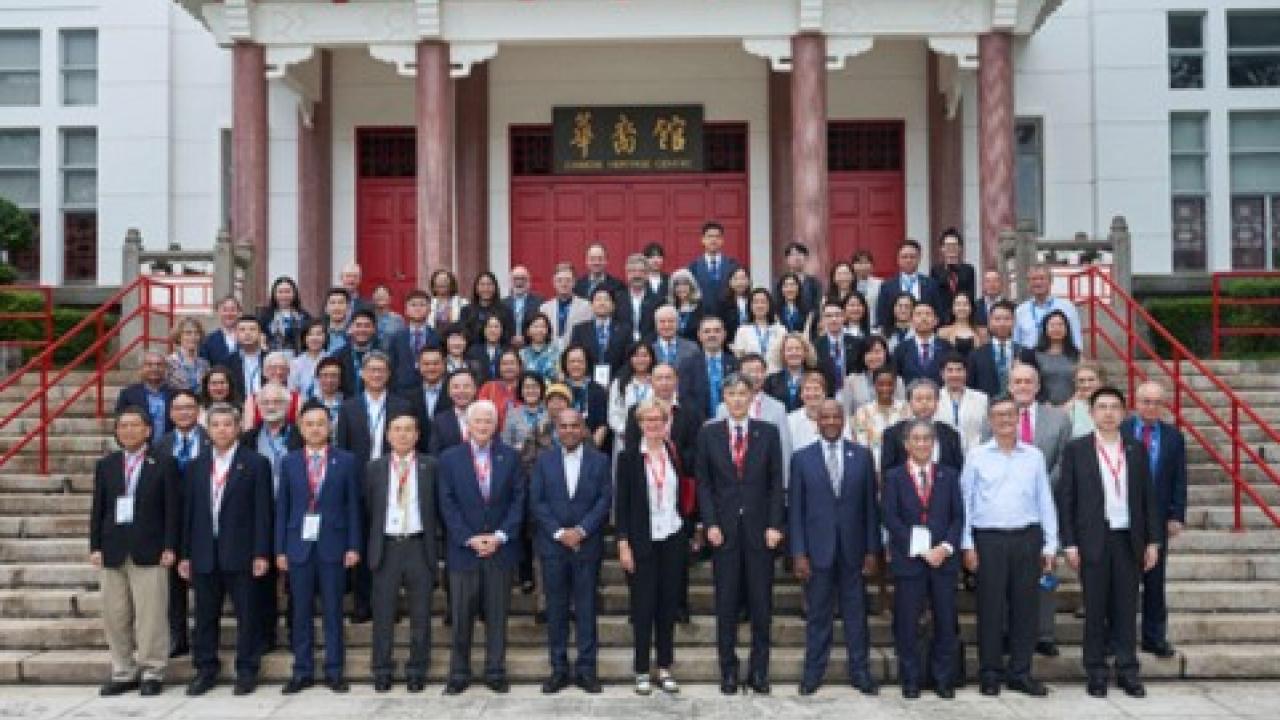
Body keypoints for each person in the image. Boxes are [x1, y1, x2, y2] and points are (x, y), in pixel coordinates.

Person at [1059, 386, 1162, 698]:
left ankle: (1128, 670)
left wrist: (1153, 541)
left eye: (1114, 407)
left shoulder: (1135, 448)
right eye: (1101, 407)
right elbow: (1067, 500)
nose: (1107, 413)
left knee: (1126, 608)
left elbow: (1148, 499)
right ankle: (1096, 670)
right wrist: (1070, 543)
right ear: (1091, 414)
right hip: (1093, 538)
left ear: (1124, 413)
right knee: (1095, 608)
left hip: (1128, 539)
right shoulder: (1076, 449)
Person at [960, 395, 1059, 697]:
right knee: (990, 608)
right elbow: (965, 502)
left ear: (1019, 419)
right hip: (988, 539)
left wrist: (1050, 545)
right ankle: (989, 672)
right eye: (998, 415)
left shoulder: (1034, 456)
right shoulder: (977, 456)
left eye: (1010, 415)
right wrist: (966, 545)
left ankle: (1021, 671)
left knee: (1025, 609)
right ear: (990, 421)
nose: (1004, 420)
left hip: (1027, 539)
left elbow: (1045, 500)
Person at [696, 374, 785, 695]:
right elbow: (704, 484)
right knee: (727, 603)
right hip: (725, 532)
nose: (736, 399)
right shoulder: (709, 434)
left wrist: (776, 525)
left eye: (742, 394)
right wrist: (710, 524)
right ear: (724, 397)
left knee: (762, 605)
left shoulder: (769, 433)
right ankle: (729, 671)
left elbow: (777, 483)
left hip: (761, 533)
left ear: (751, 398)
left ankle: (759, 671)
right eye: (731, 393)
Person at [178, 403, 272, 696]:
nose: (222, 430)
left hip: (242, 552)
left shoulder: (256, 463)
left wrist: (261, 552)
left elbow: (263, 512)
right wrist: (185, 554)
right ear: (208, 430)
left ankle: (246, 670)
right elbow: (188, 513)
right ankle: (205, 668)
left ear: (238, 428)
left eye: (227, 424)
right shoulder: (195, 466)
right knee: (205, 616)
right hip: (204, 551)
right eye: (216, 424)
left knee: (248, 615)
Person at [789, 400, 881, 696]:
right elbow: (796, 512)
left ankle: (861, 672)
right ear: (816, 420)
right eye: (824, 416)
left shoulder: (862, 456)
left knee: (856, 616)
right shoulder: (802, 458)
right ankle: (813, 673)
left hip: (854, 551)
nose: (830, 421)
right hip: (817, 552)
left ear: (844, 421)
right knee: (818, 616)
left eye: (835, 416)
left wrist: (872, 550)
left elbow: (870, 508)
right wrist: (799, 552)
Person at [437, 400, 527, 695]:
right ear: (469, 425)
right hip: (464, 550)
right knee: (461, 615)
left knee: (497, 616)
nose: (483, 426)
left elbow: (518, 501)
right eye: (478, 421)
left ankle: (495, 671)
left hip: (500, 550)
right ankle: (459, 673)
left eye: (489, 421)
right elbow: (446, 503)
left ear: (496, 425)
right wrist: (468, 537)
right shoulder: (449, 459)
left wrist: (501, 536)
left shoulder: (511, 457)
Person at [90, 406, 179, 698]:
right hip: (113, 549)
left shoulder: (164, 463)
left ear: (148, 430)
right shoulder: (107, 465)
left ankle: (152, 670)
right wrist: (95, 546)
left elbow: (172, 510)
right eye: (122, 426)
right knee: (115, 615)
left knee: (151, 615)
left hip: (150, 549)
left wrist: (170, 545)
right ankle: (123, 670)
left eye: (134, 425)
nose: (127, 431)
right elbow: (98, 509)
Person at [276, 402, 362, 694]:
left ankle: (334, 670)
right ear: (300, 428)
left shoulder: (347, 460)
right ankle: (302, 670)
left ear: (330, 427)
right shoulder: (288, 462)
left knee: (334, 611)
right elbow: (283, 508)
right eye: (309, 424)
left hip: (333, 546)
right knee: (300, 612)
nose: (315, 429)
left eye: (321, 424)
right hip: (297, 547)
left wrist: (353, 545)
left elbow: (353, 507)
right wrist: (280, 550)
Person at [530, 408, 613, 694]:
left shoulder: (600, 461)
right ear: (556, 429)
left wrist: (580, 531)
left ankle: (587, 670)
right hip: (553, 547)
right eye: (563, 426)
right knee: (556, 610)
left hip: (586, 545)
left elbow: (604, 499)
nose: (568, 431)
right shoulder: (544, 461)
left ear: (583, 429)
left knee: (587, 608)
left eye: (574, 426)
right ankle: (559, 669)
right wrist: (559, 533)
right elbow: (537, 501)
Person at [882, 419, 964, 699]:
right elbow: (890, 518)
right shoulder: (893, 477)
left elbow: (958, 517)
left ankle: (943, 678)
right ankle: (911, 679)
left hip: (943, 561)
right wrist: (918, 547)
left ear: (934, 444)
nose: (921, 444)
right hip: (910, 561)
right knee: (907, 623)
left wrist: (945, 547)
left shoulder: (949, 475)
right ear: (906, 444)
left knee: (945, 620)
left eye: (926, 439)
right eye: (915, 439)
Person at [617, 398, 692, 696]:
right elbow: (621, 506)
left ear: (666, 424)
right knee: (643, 607)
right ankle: (640, 669)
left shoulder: (674, 454)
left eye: (658, 420)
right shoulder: (629, 459)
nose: (653, 425)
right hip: (642, 541)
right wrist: (623, 544)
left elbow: (680, 495)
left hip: (672, 538)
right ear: (640, 425)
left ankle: (664, 666)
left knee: (667, 606)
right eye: (647, 421)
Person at [333, 350, 411, 623]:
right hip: (359, 484)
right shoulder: (348, 408)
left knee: (391, 548)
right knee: (363, 545)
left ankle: (389, 604)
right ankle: (363, 604)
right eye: (371, 370)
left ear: (388, 375)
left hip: (395, 481)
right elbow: (341, 450)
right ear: (362, 375)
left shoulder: (402, 405)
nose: (376, 374)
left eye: (381, 370)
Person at [364, 411, 437, 694]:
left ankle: (417, 668)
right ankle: (382, 669)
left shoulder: (431, 466)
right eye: (397, 429)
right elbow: (369, 509)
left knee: (421, 613)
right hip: (387, 546)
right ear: (387, 435)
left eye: (409, 429)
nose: (403, 434)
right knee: (383, 613)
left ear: (418, 435)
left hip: (419, 545)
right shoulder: (374, 468)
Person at [1005, 362, 1073, 656]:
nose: (1022, 386)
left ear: (1037, 386)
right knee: (1010, 574)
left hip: (1049, 503)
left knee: (1045, 568)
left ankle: (1044, 633)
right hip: (1008, 507)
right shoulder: (996, 417)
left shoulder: (1058, 418)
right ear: (1009, 387)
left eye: (1027, 382)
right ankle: (1010, 631)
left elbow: (1064, 458)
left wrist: (1042, 484)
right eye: (1017, 382)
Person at [1123, 380, 1188, 660]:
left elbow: (1179, 479)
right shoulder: (1122, 431)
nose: (1151, 407)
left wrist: (1177, 515)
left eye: (1156, 402)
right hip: (1123, 515)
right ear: (1135, 403)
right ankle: (1120, 638)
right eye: (1145, 401)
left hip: (1158, 517)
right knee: (1123, 580)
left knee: (1155, 580)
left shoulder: (1174, 436)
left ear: (1164, 405)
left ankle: (1154, 636)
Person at [241, 382, 303, 652]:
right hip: (259, 513)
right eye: (265, 402)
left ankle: (294, 633)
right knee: (262, 577)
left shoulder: (301, 436)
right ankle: (266, 635)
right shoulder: (248, 438)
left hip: (294, 512)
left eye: (277, 401)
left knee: (295, 578)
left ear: (288, 406)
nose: (271, 406)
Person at [154, 390, 209, 658]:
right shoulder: (160, 445)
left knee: (205, 581)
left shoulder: (212, 439)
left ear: (198, 411)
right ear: (171, 413)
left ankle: (204, 636)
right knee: (174, 582)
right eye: (178, 408)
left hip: (206, 517)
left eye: (189, 407)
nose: (184, 412)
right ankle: (178, 636)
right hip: (172, 518)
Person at [716, 353, 794, 488]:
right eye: (749, 371)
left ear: (765, 374)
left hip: (765, 479)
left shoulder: (778, 407)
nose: (754, 375)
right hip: (732, 480)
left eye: (759, 371)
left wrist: (784, 485)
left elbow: (784, 447)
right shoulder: (723, 408)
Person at [879, 379, 964, 476]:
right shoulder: (893, 434)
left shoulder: (951, 434)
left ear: (937, 402)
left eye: (929, 399)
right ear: (909, 402)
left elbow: (958, 471)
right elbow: (887, 475)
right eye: (918, 399)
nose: (924, 403)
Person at [678, 316, 739, 420]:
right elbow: (685, 397)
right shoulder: (687, 364)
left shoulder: (735, 363)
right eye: (707, 331)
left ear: (724, 334)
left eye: (717, 331)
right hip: (698, 425)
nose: (712, 335)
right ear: (699, 335)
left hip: (730, 421)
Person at [876, 240, 943, 332]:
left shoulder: (931, 284)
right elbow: (882, 316)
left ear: (919, 259)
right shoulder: (887, 286)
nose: (908, 260)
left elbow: (938, 313)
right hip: (895, 336)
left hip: (925, 334)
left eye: (912, 257)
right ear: (898, 259)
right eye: (904, 257)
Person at [851, 367, 909, 472]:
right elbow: (861, 446)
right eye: (881, 384)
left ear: (895, 385)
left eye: (889, 384)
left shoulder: (907, 410)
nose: (885, 388)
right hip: (871, 469)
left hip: (902, 470)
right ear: (874, 385)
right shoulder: (862, 413)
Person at [569, 287, 631, 384]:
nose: (602, 303)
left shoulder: (625, 330)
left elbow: (628, 359)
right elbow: (574, 358)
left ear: (613, 305)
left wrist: (617, 380)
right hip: (586, 382)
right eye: (598, 299)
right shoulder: (579, 330)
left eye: (606, 299)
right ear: (591, 304)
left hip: (617, 382)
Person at [1014, 264, 1084, 350]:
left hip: (1058, 359)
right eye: (1034, 279)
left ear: (1051, 281)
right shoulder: (1021, 310)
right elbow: (1016, 341)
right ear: (1028, 283)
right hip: (1028, 360)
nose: (1038, 282)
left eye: (1042, 278)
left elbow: (1076, 338)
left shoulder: (1067, 307)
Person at [1020, 309, 1081, 406]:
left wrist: (1070, 404)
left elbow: (1081, 382)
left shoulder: (1076, 355)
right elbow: (1029, 382)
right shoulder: (1033, 355)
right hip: (1042, 406)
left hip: (1072, 406)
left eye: (1060, 325)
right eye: (1052, 325)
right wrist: (1044, 403)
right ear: (1045, 328)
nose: (1056, 328)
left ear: (1067, 328)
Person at [116, 350, 175, 447]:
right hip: (139, 449)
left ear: (165, 369)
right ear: (141, 369)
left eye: (159, 365)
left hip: (170, 450)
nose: (154, 368)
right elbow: (120, 424)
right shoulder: (128, 394)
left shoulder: (175, 394)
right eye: (149, 365)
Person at [388, 290, 441, 393]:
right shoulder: (397, 337)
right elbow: (391, 366)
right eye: (413, 305)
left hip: (431, 388)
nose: (418, 308)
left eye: (422, 305)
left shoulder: (438, 336)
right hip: (402, 390)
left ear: (429, 310)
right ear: (406, 310)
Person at [935, 353, 988, 453]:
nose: (955, 375)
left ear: (966, 373)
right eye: (950, 370)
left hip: (975, 454)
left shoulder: (982, 399)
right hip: (943, 457)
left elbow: (986, 431)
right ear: (942, 374)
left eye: (959, 370)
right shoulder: (934, 398)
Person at [967, 300, 1021, 398]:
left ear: (1014, 321)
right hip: (986, 408)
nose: (1002, 323)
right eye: (997, 319)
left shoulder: (1024, 352)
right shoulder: (976, 355)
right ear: (989, 322)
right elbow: (970, 388)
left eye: (1007, 319)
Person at [559, 345, 610, 448]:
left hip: (590, 447)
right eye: (572, 361)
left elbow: (602, 425)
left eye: (580, 361)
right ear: (565, 364)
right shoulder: (558, 389)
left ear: (587, 363)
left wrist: (590, 451)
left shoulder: (598, 390)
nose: (576, 365)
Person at [607, 343, 656, 447]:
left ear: (651, 358)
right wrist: (625, 431)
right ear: (630, 358)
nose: (640, 359)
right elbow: (613, 414)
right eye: (636, 355)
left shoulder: (657, 380)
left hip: (653, 436)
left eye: (645, 355)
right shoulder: (619, 382)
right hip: (624, 438)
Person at [403, 346, 450, 454]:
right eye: (426, 364)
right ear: (418, 366)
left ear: (443, 365)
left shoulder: (454, 394)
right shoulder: (407, 397)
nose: (431, 368)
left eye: (435, 363)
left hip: (447, 456)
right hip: (416, 456)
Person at [687, 220, 740, 316]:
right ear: (703, 240)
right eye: (710, 236)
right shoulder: (693, 267)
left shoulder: (733, 266)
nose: (713, 240)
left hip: (729, 319)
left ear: (722, 240)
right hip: (702, 319)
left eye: (717, 237)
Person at [892, 302, 952, 386]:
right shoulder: (901, 349)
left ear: (936, 321)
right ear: (911, 321)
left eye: (928, 314)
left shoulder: (947, 347)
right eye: (918, 314)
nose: (923, 318)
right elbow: (896, 378)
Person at [841, 336, 904, 414]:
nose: (873, 356)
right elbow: (846, 412)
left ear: (886, 354)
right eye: (869, 352)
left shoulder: (897, 380)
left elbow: (902, 410)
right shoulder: (850, 381)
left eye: (877, 352)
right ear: (863, 356)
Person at [813, 301, 864, 396]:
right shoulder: (815, 346)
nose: (834, 319)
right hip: (827, 398)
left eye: (837, 315)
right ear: (823, 320)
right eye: (828, 316)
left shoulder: (857, 343)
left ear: (844, 317)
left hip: (853, 394)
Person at [242, 352, 302, 430]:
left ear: (288, 372)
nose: (278, 372)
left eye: (283, 368)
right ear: (264, 371)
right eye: (273, 368)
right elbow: (248, 431)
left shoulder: (297, 399)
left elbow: (300, 429)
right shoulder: (252, 400)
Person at [331, 310, 384, 397]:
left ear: (374, 329)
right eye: (358, 325)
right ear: (350, 328)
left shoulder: (383, 355)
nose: (362, 330)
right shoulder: (337, 356)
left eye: (367, 326)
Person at [731, 288, 785, 374]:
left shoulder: (780, 329)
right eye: (756, 302)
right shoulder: (743, 330)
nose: (760, 305)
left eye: (763, 302)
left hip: (775, 377)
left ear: (769, 305)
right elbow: (739, 357)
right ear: (750, 306)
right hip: (751, 378)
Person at [929, 228, 976, 324]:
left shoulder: (968, 270)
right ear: (942, 248)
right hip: (942, 320)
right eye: (948, 245)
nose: (951, 248)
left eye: (954, 245)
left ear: (960, 248)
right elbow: (934, 296)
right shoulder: (935, 271)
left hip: (963, 318)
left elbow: (971, 296)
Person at [429, 368, 479, 456]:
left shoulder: (486, 416)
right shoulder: (440, 421)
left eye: (466, 386)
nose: (461, 391)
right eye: (456, 387)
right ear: (449, 391)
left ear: (475, 389)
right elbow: (435, 455)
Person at [540, 263, 592, 347]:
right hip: (550, 355)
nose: (564, 284)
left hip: (576, 355)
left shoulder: (586, 307)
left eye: (568, 280)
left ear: (574, 282)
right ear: (554, 283)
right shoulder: (544, 308)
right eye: (559, 280)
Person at [764, 332, 817, 412]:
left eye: (798, 349)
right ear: (782, 354)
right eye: (789, 349)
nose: (794, 352)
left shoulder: (815, 378)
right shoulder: (771, 380)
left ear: (805, 352)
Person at [460, 270, 515, 347]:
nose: (486, 288)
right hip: (472, 353)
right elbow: (464, 335)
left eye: (489, 284)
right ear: (476, 288)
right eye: (482, 285)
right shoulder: (466, 311)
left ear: (495, 287)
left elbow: (509, 335)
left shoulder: (506, 310)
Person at [616, 253, 662, 343]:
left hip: (650, 348)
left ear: (647, 274)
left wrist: (643, 345)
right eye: (633, 271)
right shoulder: (617, 299)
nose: (637, 275)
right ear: (627, 274)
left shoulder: (658, 301)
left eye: (641, 271)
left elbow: (658, 328)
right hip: (623, 349)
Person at [258, 276, 310, 354]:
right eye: (280, 292)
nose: (284, 295)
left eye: (287, 292)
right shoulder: (265, 315)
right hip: (273, 359)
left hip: (299, 358)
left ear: (294, 293)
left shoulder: (303, 315)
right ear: (274, 294)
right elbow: (260, 335)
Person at [477, 348, 523, 428]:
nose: (508, 367)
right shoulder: (489, 387)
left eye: (512, 363)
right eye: (504, 364)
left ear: (519, 366)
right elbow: (480, 413)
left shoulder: (525, 387)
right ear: (499, 367)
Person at [786, 371, 831, 451]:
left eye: (816, 389)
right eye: (807, 389)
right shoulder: (789, 421)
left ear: (824, 394)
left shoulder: (836, 418)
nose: (812, 393)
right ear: (801, 395)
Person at [226, 315, 267, 402]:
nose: (247, 333)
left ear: (260, 334)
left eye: (252, 329)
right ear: (236, 335)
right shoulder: (228, 361)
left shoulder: (270, 359)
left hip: (267, 406)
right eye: (242, 330)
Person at [776, 241, 823, 315]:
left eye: (800, 254)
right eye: (793, 255)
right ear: (787, 260)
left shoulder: (814, 283)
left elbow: (817, 306)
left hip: (810, 323)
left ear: (806, 258)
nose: (797, 258)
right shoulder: (780, 282)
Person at [503, 265, 545, 347]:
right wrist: (510, 339)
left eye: (523, 278)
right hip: (508, 348)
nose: (519, 282)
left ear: (529, 281)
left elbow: (543, 326)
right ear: (510, 282)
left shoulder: (540, 302)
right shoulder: (502, 303)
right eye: (516, 278)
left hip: (531, 346)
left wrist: (526, 338)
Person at [1065, 361, 1108, 438]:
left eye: (1091, 380)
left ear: (1101, 381)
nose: (1086, 385)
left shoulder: (1113, 405)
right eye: (1081, 381)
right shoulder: (1070, 408)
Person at [289, 319, 330, 400]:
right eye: (310, 334)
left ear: (325, 337)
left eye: (318, 334)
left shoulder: (331, 360)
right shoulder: (296, 363)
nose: (314, 338)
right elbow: (293, 390)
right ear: (304, 338)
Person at [650, 304, 700, 369]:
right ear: (656, 325)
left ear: (678, 324)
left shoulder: (692, 348)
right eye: (662, 321)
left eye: (671, 321)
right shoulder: (649, 348)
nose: (667, 325)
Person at [168, 317, 210, 393]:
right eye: (188, 333)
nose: (193, 337)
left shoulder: (204, 364)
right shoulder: (169, 362)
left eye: (197, 333)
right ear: (179, 336)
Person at [938, 292, 984, 360]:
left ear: (971, 308)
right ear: (952, 308)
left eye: (965, 304)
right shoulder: (942, 332)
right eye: (958, 304)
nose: (961, 308)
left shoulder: (982, 332)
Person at [466, 315, 511, 385]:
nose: (493, 330)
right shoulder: (473, 351)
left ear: (502, 329)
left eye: (496, 327)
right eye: (489, 326)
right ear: (484, 329)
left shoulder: (509, 350)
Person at [199, 295, 242, 368]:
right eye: (225, 310)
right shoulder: (209, 341)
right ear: (218, 312)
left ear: (239, 312)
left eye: (233, 310)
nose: (229, 314)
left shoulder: (247, 338)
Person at [519, 313, 562, 382]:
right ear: (527, 331)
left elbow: (560, 377)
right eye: (535, 326)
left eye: (543, 326)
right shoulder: (521, 354)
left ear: (548, 330)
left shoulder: (557, 352)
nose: (539, 330)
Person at [668, 269, 705, 342]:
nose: (681, 288)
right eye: (677, 285)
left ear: (691, 286)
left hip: (695, 349)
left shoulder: (701, 307)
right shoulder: (670, 308)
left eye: (685, 284)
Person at [717, 266, 753, 343]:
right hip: (730, 343)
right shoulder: (722, 303)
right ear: (730, 282)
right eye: (736, 279)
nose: (740, 282)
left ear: (749, 281)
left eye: (743, 278)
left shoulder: (754, 300)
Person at [775, 271, 815, 336]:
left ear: (798, 287)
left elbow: (807, 333)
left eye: (792, 285)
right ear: (781, 289)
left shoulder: (808, 309)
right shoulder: (775, 310)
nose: (789, 289)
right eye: (786, 286)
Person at [309, 357, 345, 427]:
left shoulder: (350, 404)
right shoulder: (309, 405)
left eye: (334, 376)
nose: (329, 380)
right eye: (325, 375)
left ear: (340, 379)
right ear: (318, 378)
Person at [851, 250, 882, 328]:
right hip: (851, 326)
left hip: (874, 326)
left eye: (866, 262)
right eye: (859, 263)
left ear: (872, 265)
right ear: (853, 265)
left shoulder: (880, 284)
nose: (863, 266)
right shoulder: (848, 283)